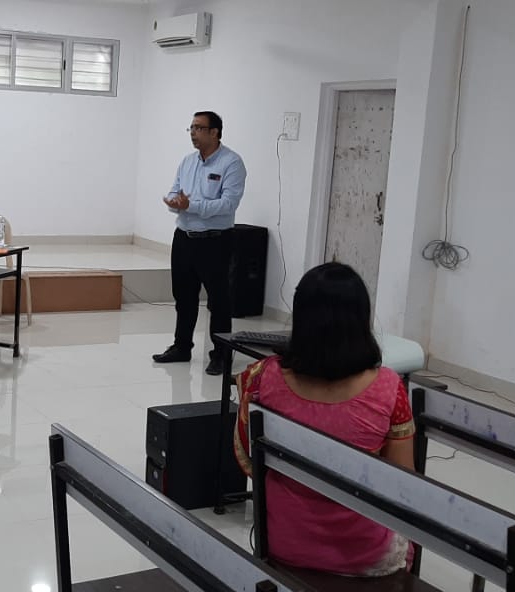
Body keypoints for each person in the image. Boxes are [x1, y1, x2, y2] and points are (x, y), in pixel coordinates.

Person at [233, 262, 414, 577]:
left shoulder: (261, 378)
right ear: (361, 319)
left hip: (280, 542)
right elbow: (401, 485)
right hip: (364, 554)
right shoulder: (389, 388)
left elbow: (249, 462)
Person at [151, 111, 247, 376]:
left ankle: (220, 355)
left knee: (218, 301)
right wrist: (174, 202)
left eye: (199, 128)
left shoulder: (231, 163)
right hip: (184, 238)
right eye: (191, 128)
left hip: (215, 241)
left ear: (215, 132)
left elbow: (228, 204)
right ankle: (182, 347)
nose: (193, 133)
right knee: (184, 297)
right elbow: (175, 191)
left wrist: (190, 205)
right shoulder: (187, 162)